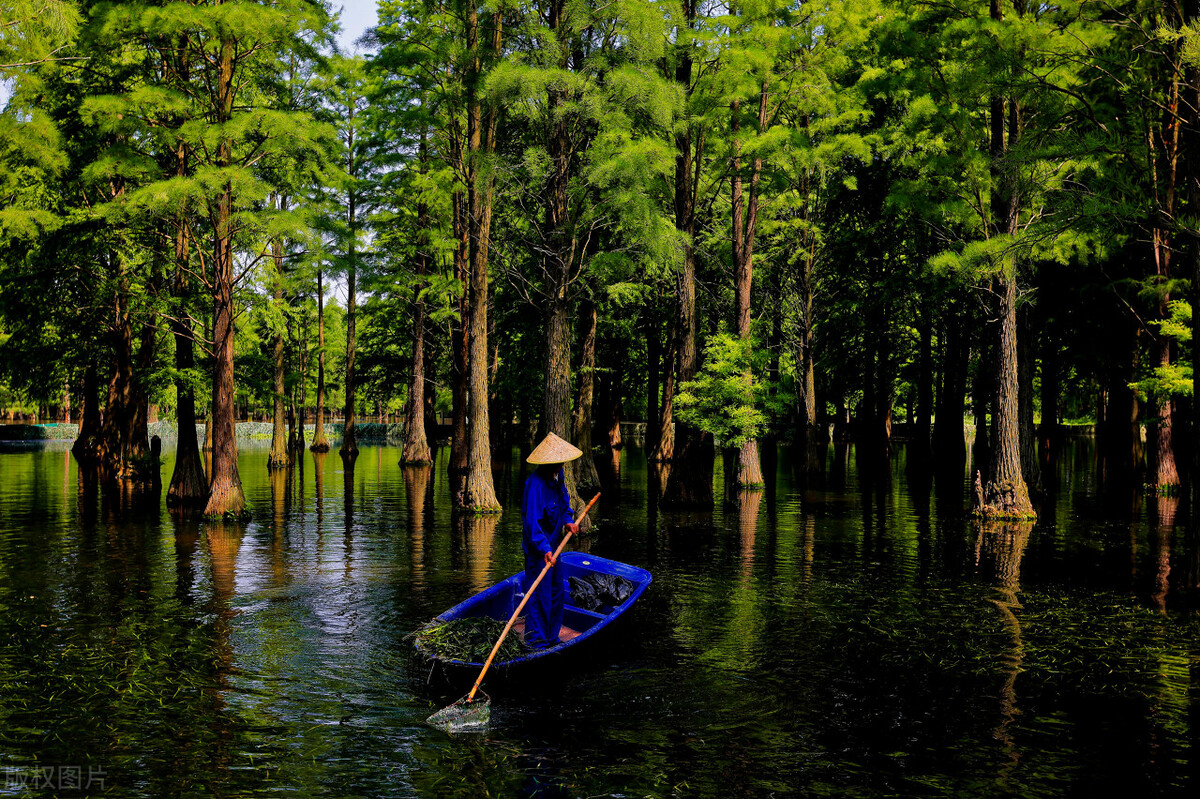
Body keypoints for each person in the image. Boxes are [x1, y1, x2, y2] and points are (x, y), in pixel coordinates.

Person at [521, 432, 582, 649]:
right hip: (539, 551)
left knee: (557, 592)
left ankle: (552, 637)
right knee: (539, 596)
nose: (560, 465)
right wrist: (544, 549)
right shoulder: (535, 485)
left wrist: (568, 520)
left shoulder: (559, 476)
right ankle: (536, 640)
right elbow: (532, 525)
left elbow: (564, 501)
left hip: (555, 546)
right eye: (557, 463)